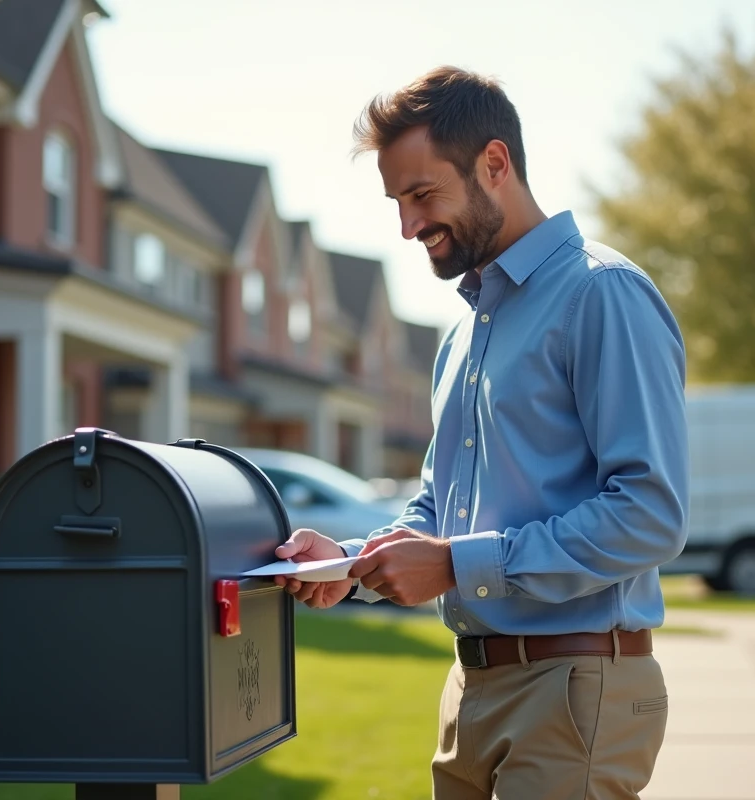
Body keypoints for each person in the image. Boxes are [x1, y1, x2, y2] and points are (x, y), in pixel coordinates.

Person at [273, 65, 689, 800]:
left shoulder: (602, 294)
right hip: (471, 685)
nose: (407, 226)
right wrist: (344, 562)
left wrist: (459, 566)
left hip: (575, 686)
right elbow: (439, 509)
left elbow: (649, 514)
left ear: (495, 164)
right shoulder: (464, 332)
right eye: (397, 202)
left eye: (422, 194)